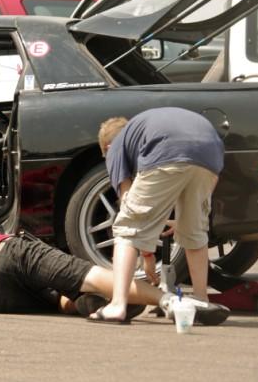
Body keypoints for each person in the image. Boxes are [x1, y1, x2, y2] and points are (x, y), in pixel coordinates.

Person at [93, 107, 231, 325]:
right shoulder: (146, 127)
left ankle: (117, 305)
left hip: (167, 151)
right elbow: (201, 186)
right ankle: (201, 299)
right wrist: (186, 217)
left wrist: (147, 257)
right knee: (194, 232)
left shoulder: (116, 147)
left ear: (107, 148)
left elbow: (132, 208)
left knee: (126, 229)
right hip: (210, 153)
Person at [0, 219, 166, 320]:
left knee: (54, 299)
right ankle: (166, 300)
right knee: (83, 275)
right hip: (3, 256)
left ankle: (86, 304)